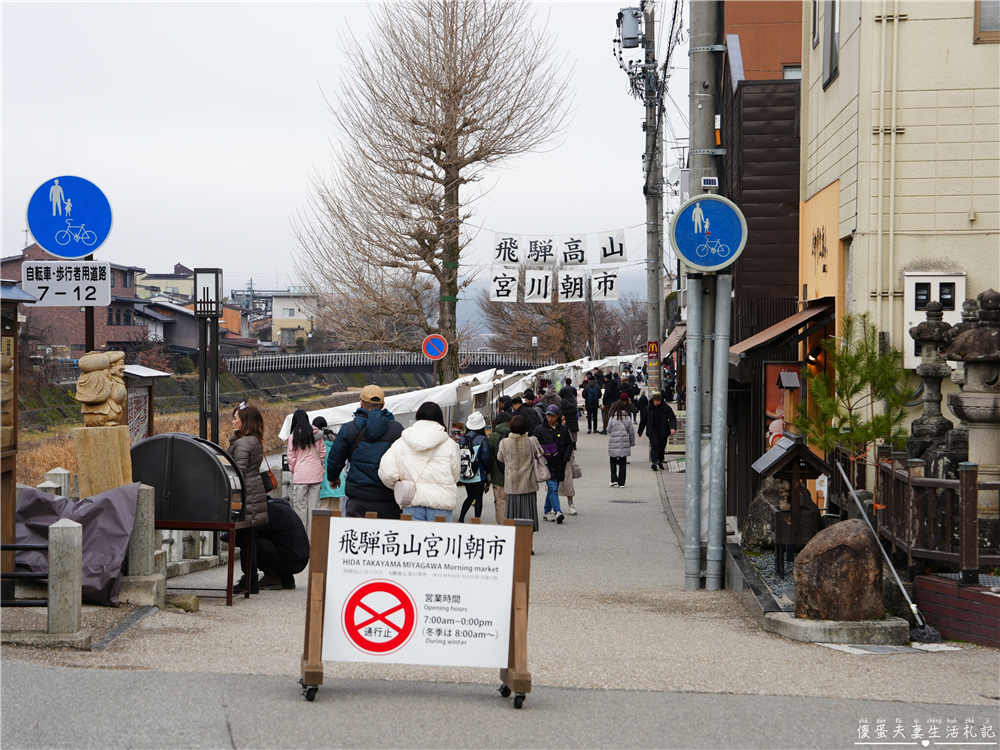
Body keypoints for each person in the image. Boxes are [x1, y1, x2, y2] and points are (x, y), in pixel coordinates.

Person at [326, 384, 404, 519]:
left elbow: (335, 458)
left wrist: (333, 478)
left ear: (361, 403)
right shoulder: (397, 429)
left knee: (357, 538)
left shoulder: (349, 428)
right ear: (383, 404)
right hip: (387, 497)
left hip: (358, 497)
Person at [378, 401, 460, 522]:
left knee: (413, 540)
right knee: (439, 539)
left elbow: (387, 472)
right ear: (439, 418)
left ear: (418, 416)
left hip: (412, 502)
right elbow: (456, 476)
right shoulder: (450, 444)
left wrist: (398, 484)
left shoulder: (402, 442)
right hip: (441, 503)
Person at [229, 402, 269, 594]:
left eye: (235, 418)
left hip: (246, 496)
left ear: (245, 422)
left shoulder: (243, 443)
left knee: (245, 539)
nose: (232, 421)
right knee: (248, 539)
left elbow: (239, 471)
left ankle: (250, 580)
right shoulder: (254, 440)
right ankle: (251, 578)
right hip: (254, 492)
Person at [496, 414, 540, 534]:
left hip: (512, 485)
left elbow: (500, 458)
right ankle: (527, 545)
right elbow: (540, 453)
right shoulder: (531, 441)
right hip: (528, 485)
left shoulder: (504, 442)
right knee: (528, 516)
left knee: (513, 517)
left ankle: (514, 544)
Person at [287, 409, 326, 538]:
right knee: (314, 509)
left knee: (300, 509)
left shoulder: (293, 436)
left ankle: (301, 539)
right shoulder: (317, 433)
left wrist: (295, 471)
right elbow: (322, 453)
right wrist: (317, 465)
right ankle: (313, 540)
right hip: (315, 475)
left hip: (301, 476)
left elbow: (291, 458)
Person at [255, 497, 310, 590]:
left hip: (290, 560)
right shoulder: (280, 507)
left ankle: (271, 576)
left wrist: (226, 535)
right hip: (301, 560)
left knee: (251, 541)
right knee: (277, 539)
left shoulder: (267, 512)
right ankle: (286, 578)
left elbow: (246, 532)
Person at [534, 404, 572, 524]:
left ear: (558, 416)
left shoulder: (564, 429)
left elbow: (569, 444)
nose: (550, 418)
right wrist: (540, 458)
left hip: (560, 462)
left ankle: (546, 511)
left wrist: (565, 459)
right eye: (548, 415)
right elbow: (535, 446)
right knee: (553, 487)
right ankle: (558, 511)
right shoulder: (540, 429)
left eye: (553, 415)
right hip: (546, 464)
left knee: (552, 488)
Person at [458, 411, 491, 523]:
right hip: (478, 474)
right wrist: (488, 471)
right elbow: (485, 457)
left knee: (470, 496)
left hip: (465, 473)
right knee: (478, 498)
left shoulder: (462, 438)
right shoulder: (482, 439)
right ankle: (476, 521)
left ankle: (461, 518)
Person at [313, 416, 345, 514]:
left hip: (324, 483)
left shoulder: (317, 444)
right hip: (338, 481)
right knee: (335, 513)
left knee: (322, 514)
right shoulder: (337, 442)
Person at [638, 390, 677, 471]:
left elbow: (672, 418)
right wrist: (640, 431)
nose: (657, 402)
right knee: (654, 446)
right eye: (656, 401)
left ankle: (659, 461)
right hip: (653, 430)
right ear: (653, 400)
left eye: (659, 401)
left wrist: (673, 428)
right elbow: (643, 420)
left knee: (661, 447)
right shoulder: (648, 408)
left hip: (663, 430)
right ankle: (654, 462)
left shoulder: (666, 408)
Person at [487, 411, 511, 525]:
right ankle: (514, 526)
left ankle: (503, 528)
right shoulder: (516, 434)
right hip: (514, 476)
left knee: (501, 502)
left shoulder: (493, 436)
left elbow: (489, 457)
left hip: (498, 477)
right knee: (513, 502)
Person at [607, 399, 636, 488]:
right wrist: (631, 443)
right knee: (623, 462)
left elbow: (608, 430)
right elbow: (631, 431)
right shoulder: (627, 418)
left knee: (613, 461)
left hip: (613, 443)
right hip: (624, 442)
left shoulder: (612, 418)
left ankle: (613, 479)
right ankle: (622, 482)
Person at [559, 378, 579, 444]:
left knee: (566, 429)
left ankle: (567, 441)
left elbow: (562, 407)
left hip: (566, 415)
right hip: (573, 416)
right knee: (573, 430)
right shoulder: (573, 398)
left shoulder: (564, 398)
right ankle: (574, 442)